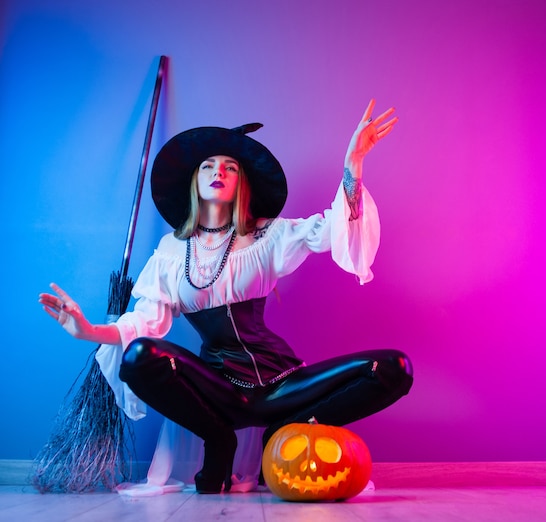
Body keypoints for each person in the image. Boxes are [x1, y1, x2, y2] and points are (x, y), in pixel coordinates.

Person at [39, 99, 413, 494]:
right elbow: (143, 322)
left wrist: (352, 165)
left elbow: (334, 229)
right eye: (208, 166)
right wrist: (87, 330)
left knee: (393, 368)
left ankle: (283, 433)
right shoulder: (171, 251)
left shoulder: (268, 235)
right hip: (216, 389)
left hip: (282, 383)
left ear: (241, 182)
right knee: (140, 355)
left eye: (230, 167)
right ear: (194, 181)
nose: (219, 171)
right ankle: (219, 439)